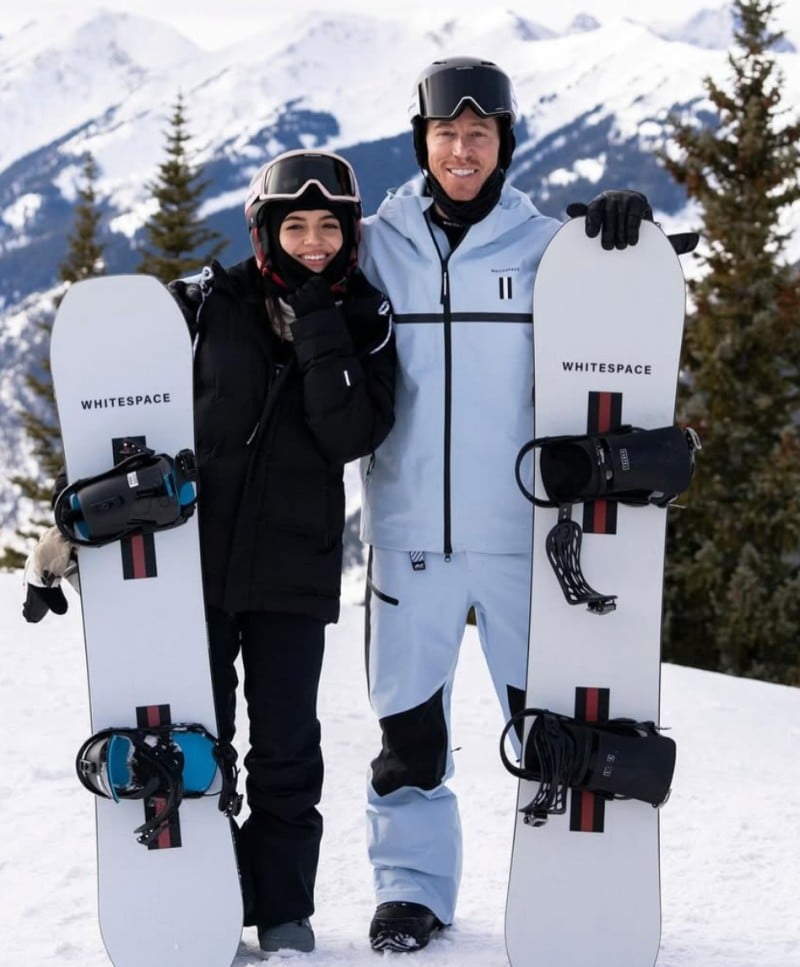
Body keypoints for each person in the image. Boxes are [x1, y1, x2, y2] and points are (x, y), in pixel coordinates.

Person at [23, 149, 396, 956]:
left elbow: (352, 432)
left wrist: (320, 322)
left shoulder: (364, 319)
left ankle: (286, 911)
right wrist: (68, 522)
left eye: (329, 225)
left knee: (288, 747)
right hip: (196, 565)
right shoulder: (203, 304)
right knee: (203, 738)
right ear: (264, 229)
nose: (313, 242)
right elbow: (124, 413)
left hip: (295, 572)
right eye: (294, 225)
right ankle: (211, 901)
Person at [356, 56, 653, 953]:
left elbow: (622, 326)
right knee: (409, 738)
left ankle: (565, 880)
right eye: (446, 133)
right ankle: (412, 890)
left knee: (550, 729)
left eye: (478, 134)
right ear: (422, 142)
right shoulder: (376, 245)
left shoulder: (545, 250)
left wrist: (623, 239)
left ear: (504, 145)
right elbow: (299, 270)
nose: (460, 149)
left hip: (522, 541)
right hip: (407, 541)